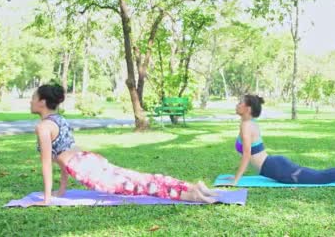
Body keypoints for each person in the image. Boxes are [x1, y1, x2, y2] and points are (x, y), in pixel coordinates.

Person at [28, 84, 218, 205]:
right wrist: (61, 191)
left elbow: (48, 164)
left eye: (33, 98)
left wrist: (46, 199)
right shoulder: (59, 120)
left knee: (141, 185)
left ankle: (192, 195)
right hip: (88, 161)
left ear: (43, 102)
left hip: (86, 168)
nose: (31, 101)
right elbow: (64, 155)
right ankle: (194, 187)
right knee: (141, 179)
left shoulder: (44, 127)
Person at [223, 94, 335, 186]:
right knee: (320, 175)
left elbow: (246, 155)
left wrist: (236, 180)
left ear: (248, 108)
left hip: (277, 168)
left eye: (240, 103)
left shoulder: (247, 126)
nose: (237, 105)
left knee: (321, 177)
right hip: (275, 165)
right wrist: (236, 177)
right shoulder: (247, 123)